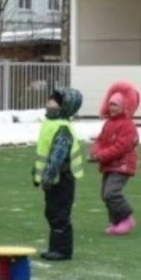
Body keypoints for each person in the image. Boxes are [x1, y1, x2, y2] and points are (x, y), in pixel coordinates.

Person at [32, 87, 84, 261]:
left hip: (62, 179)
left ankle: (62, 249)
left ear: (64, 106)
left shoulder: (62, 128)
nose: (49, 101)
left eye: (54, 100)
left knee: (59, 213)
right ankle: (55, 247)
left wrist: (47, 177)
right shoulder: (51, 124)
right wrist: (37, 172)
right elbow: (45, 152)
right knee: (52, 212)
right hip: (54, 179)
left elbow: (57, 156)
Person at [89, 82, 140, 235]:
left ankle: (126, 218)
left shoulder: (128, 125)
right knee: (105, 195)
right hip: (109, 165)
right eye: (110, 104)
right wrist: (95, 151)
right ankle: (117, 222)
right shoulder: (108, 123)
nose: (112, 108)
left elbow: (121, 147)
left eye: (116, 105)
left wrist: (100, 156)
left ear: (124, 106)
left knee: (111, 193)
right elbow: (100, 140)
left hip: (122, 165)